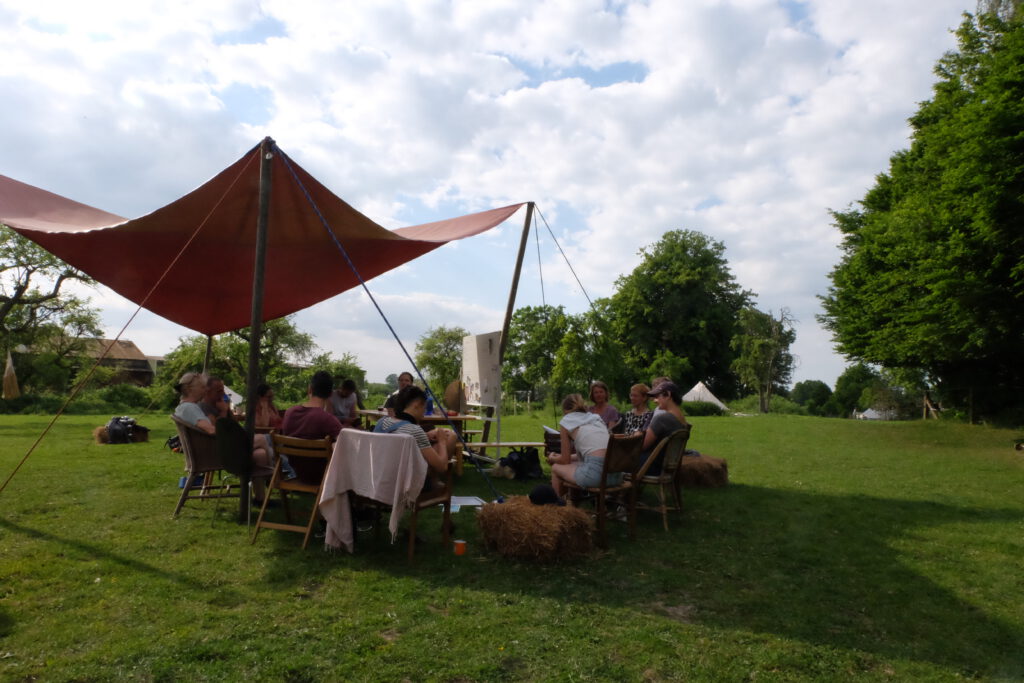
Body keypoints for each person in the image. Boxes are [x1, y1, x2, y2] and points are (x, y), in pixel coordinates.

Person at [174, 371, 272, 497]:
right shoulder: (190, 408)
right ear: (189, 389)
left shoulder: (185, 406)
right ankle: (274, 478)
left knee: (260, 454)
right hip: (214, 453)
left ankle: (260, 499)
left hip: (209, 450)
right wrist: (235, 431)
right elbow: (211, 430)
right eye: (202, 387)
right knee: (261, 439)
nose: (205, 391)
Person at [374, 384, 455, 493]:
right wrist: (441, 441)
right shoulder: (414, 431)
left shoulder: (381, 422)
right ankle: (431, 482)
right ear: (416, 405)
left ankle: (433, 482)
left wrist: (425, 435)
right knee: (451, 436)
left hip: (378, 479)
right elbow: (442, 467)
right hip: (401, 485)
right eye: (424, 407)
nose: (424, 412)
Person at [550, 393, 617, 498]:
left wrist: (552, 458)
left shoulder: (566, 421)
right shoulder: (596, 418)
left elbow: (565, 460)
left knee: (556, 468)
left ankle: (558, 508)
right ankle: (574, 504)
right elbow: (593, 452)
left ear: (565, 411)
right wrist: (564, 457)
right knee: (577, 465)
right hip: (616, 473)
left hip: (596, 476)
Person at [640, 381, 689, 476]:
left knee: (612, 459)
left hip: (652, 466)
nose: (655, 400)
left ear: (668, 395)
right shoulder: (682, 420)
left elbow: (642, 446)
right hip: (667, 466)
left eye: (657, 396)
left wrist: (637, 435)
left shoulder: (662, 419)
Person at [281, 370, 344, 441]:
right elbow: (343, 443)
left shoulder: (289, 412)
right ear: (331, 394)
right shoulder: (329, 420)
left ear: (309, 389)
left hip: (287, 452)